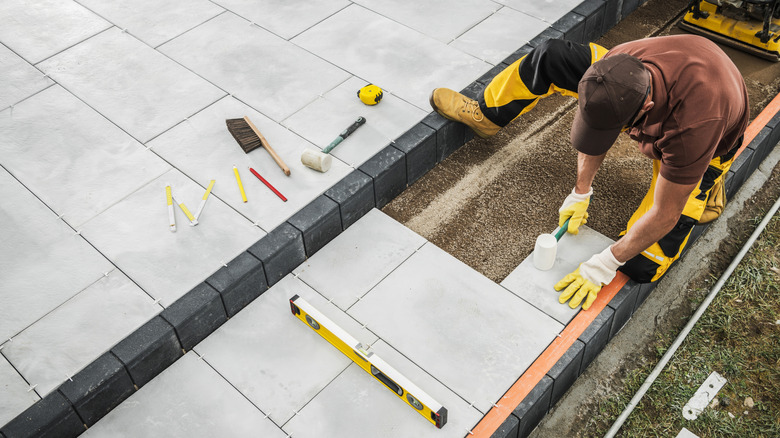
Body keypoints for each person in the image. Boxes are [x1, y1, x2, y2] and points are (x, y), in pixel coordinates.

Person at [430, 35, 749, 310]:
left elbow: (665, 214)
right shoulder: (615, 68)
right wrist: (581, 191)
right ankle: (487, 115)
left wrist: (605, 263)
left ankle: (707, 183)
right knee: (552, 56)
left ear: (646, 110)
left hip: (712, 139)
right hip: (664, 79)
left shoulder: (693, 130)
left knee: (641, 264)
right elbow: (598, 122)